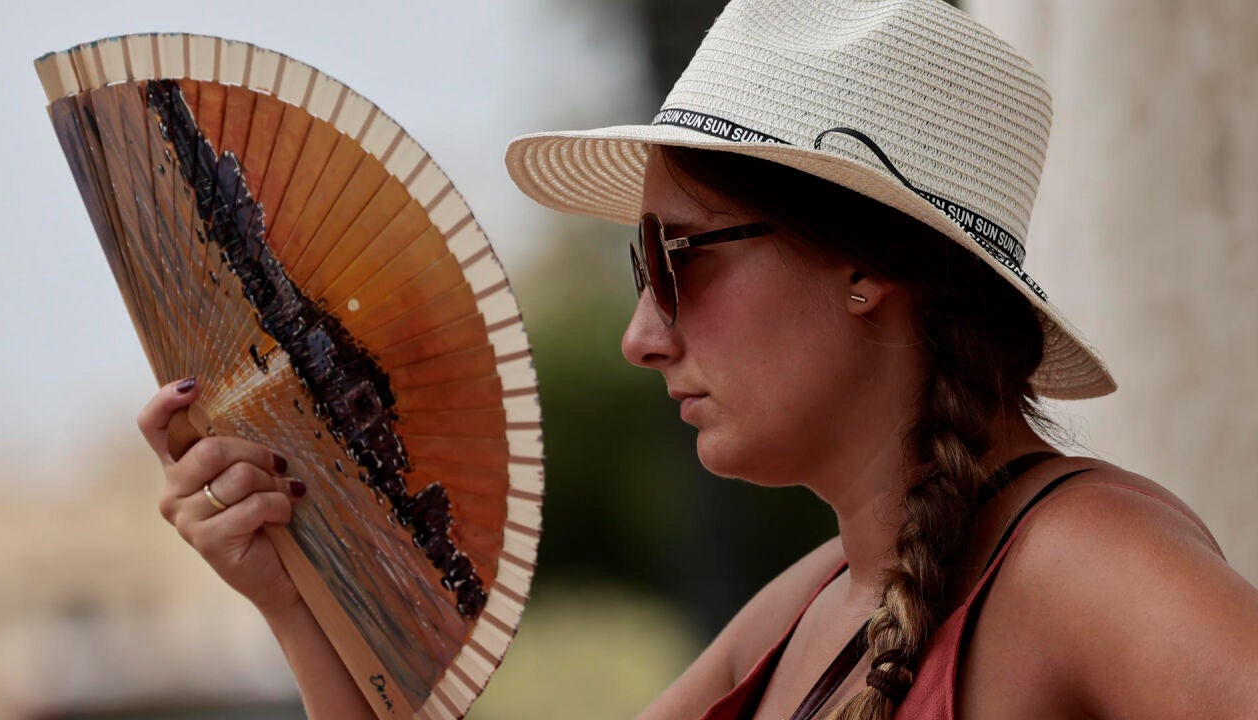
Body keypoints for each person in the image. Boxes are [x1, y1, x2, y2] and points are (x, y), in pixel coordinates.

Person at [139, 0, 1258, 718]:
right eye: (639, 269)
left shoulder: (1083, 565)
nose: (640, 335)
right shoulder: (812, 608)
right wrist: (297, 601)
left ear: (863, 264)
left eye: (677, 259)